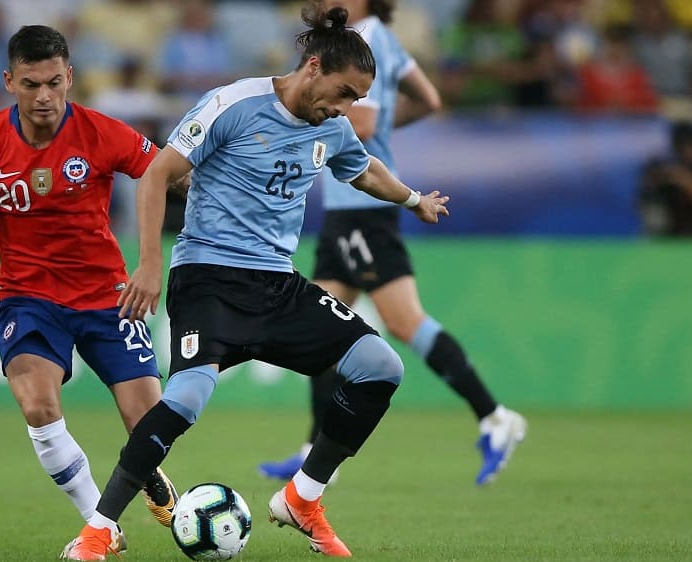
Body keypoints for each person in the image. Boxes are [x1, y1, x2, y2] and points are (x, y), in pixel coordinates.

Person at [64, 7, 450, 560]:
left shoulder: (333, 126)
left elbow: (362, 168)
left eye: (355, 101)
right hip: (208, 278)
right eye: (342, 93)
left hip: (278, 285)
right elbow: (156, 176)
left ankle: (303, 498)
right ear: (312, 66)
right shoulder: (234, 104)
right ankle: (97, 531)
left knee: (381, 366)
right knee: (188, 399)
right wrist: (149, 264)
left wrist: (414, 199)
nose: (345, 110)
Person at [260, 0, 528, 489]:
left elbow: (361, 125)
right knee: (325, 323)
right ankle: (314, 448)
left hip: (365, 204)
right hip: (349, 208)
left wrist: (343, 128)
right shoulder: (378, 37)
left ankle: (495, 417)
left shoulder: (366, 41)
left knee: (404, 321)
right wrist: (374, 128)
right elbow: (428, 99)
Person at [0, 25, 184, 557]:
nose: (45, 96)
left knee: (149, 422)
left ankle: (148, 474)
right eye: (31, 84)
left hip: (107, 294)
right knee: (37, 406)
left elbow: (170, 174)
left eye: (54, 82)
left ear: (70, 76)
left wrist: (151, 259)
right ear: (10, 82)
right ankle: (102, 524)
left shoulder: (102, 132)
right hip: (28, 300)